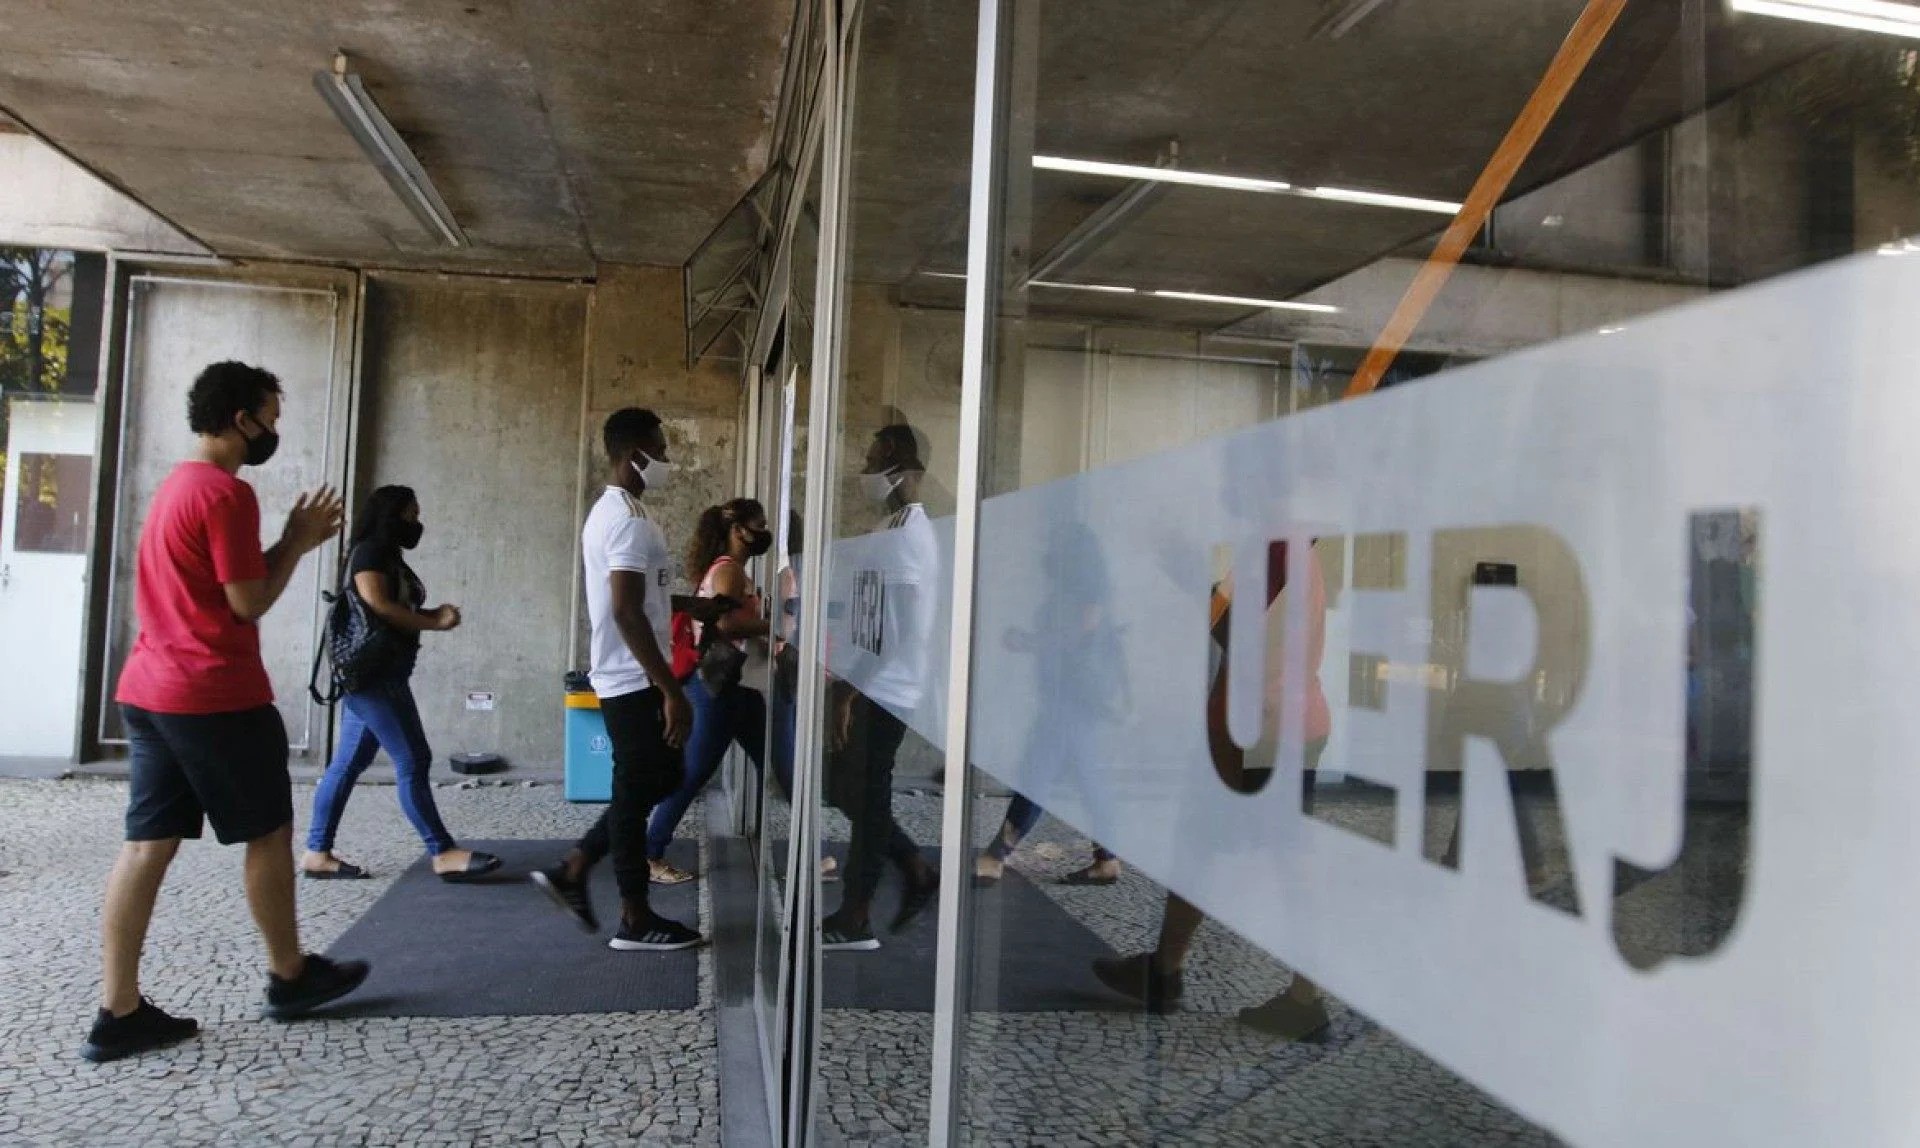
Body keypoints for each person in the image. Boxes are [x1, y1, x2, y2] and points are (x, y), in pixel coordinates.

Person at [84, 361, 370, 1064]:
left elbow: (222, 584)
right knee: (267, 831)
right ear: (241, 420)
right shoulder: (225, 494)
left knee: (146, 846)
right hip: (213, 694)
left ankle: (117, 1010)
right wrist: (297, 541)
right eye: (270, 417)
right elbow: (247, 601)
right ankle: (289, 976)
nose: (274, 429)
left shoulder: (177, 486)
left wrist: (284, 543)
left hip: (148, 691)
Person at [1092, 539, 1334, 1040]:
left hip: (1261, 730)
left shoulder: (1278, 543)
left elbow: (1240, 634)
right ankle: (1167, 971)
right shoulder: (1290, 545)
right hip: (1280, 721)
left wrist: (1193, 582)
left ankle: (1300, 997)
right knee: (1213, 846)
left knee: (1268, 859)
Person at [531, 408, 704, 952]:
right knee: (636, 789)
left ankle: (577, 866)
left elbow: (641, 598)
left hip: (629, 673)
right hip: (633, 678)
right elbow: (626, 611)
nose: (667, 460)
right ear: (635, 455)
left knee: (660, 777)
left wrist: (694, 606)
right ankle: (633, 916)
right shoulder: (627, 521)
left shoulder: (618, 512)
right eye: (661, 449)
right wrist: (670, 690)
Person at [301, 486, 501, 882]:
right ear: (390, 515)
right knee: (413, 759)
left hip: (378, 673)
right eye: (411, 514)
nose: (416, 522)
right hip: (375, 676)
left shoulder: (384, 554)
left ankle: (316, 853)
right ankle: (442, 852)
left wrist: (430, 613)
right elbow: (378, 605)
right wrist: (434, 622)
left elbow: (395, 607)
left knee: (348, 763)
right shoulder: (370, 552)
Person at [820, 423, 941, 952]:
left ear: (895, 463)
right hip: (874, 682)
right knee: (849, 790)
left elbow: (900, 627)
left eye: (871, 459)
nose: (864, 469)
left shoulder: (909, 534)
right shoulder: (889, 527)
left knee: (866, 797)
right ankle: (913, 867)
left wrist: (849, 691)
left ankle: (856, 916)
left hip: (886, 688)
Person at [644, 497, 775, 884]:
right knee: (693, 771)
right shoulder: (729, 571)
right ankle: (649, 854)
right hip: (718, 686)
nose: (764, 532)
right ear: (738, 531)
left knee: (780, 763)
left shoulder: (726, 569)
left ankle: (808, 853)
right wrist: (774, 626)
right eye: (759, 525)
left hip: (734, 688)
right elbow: (727, 626)